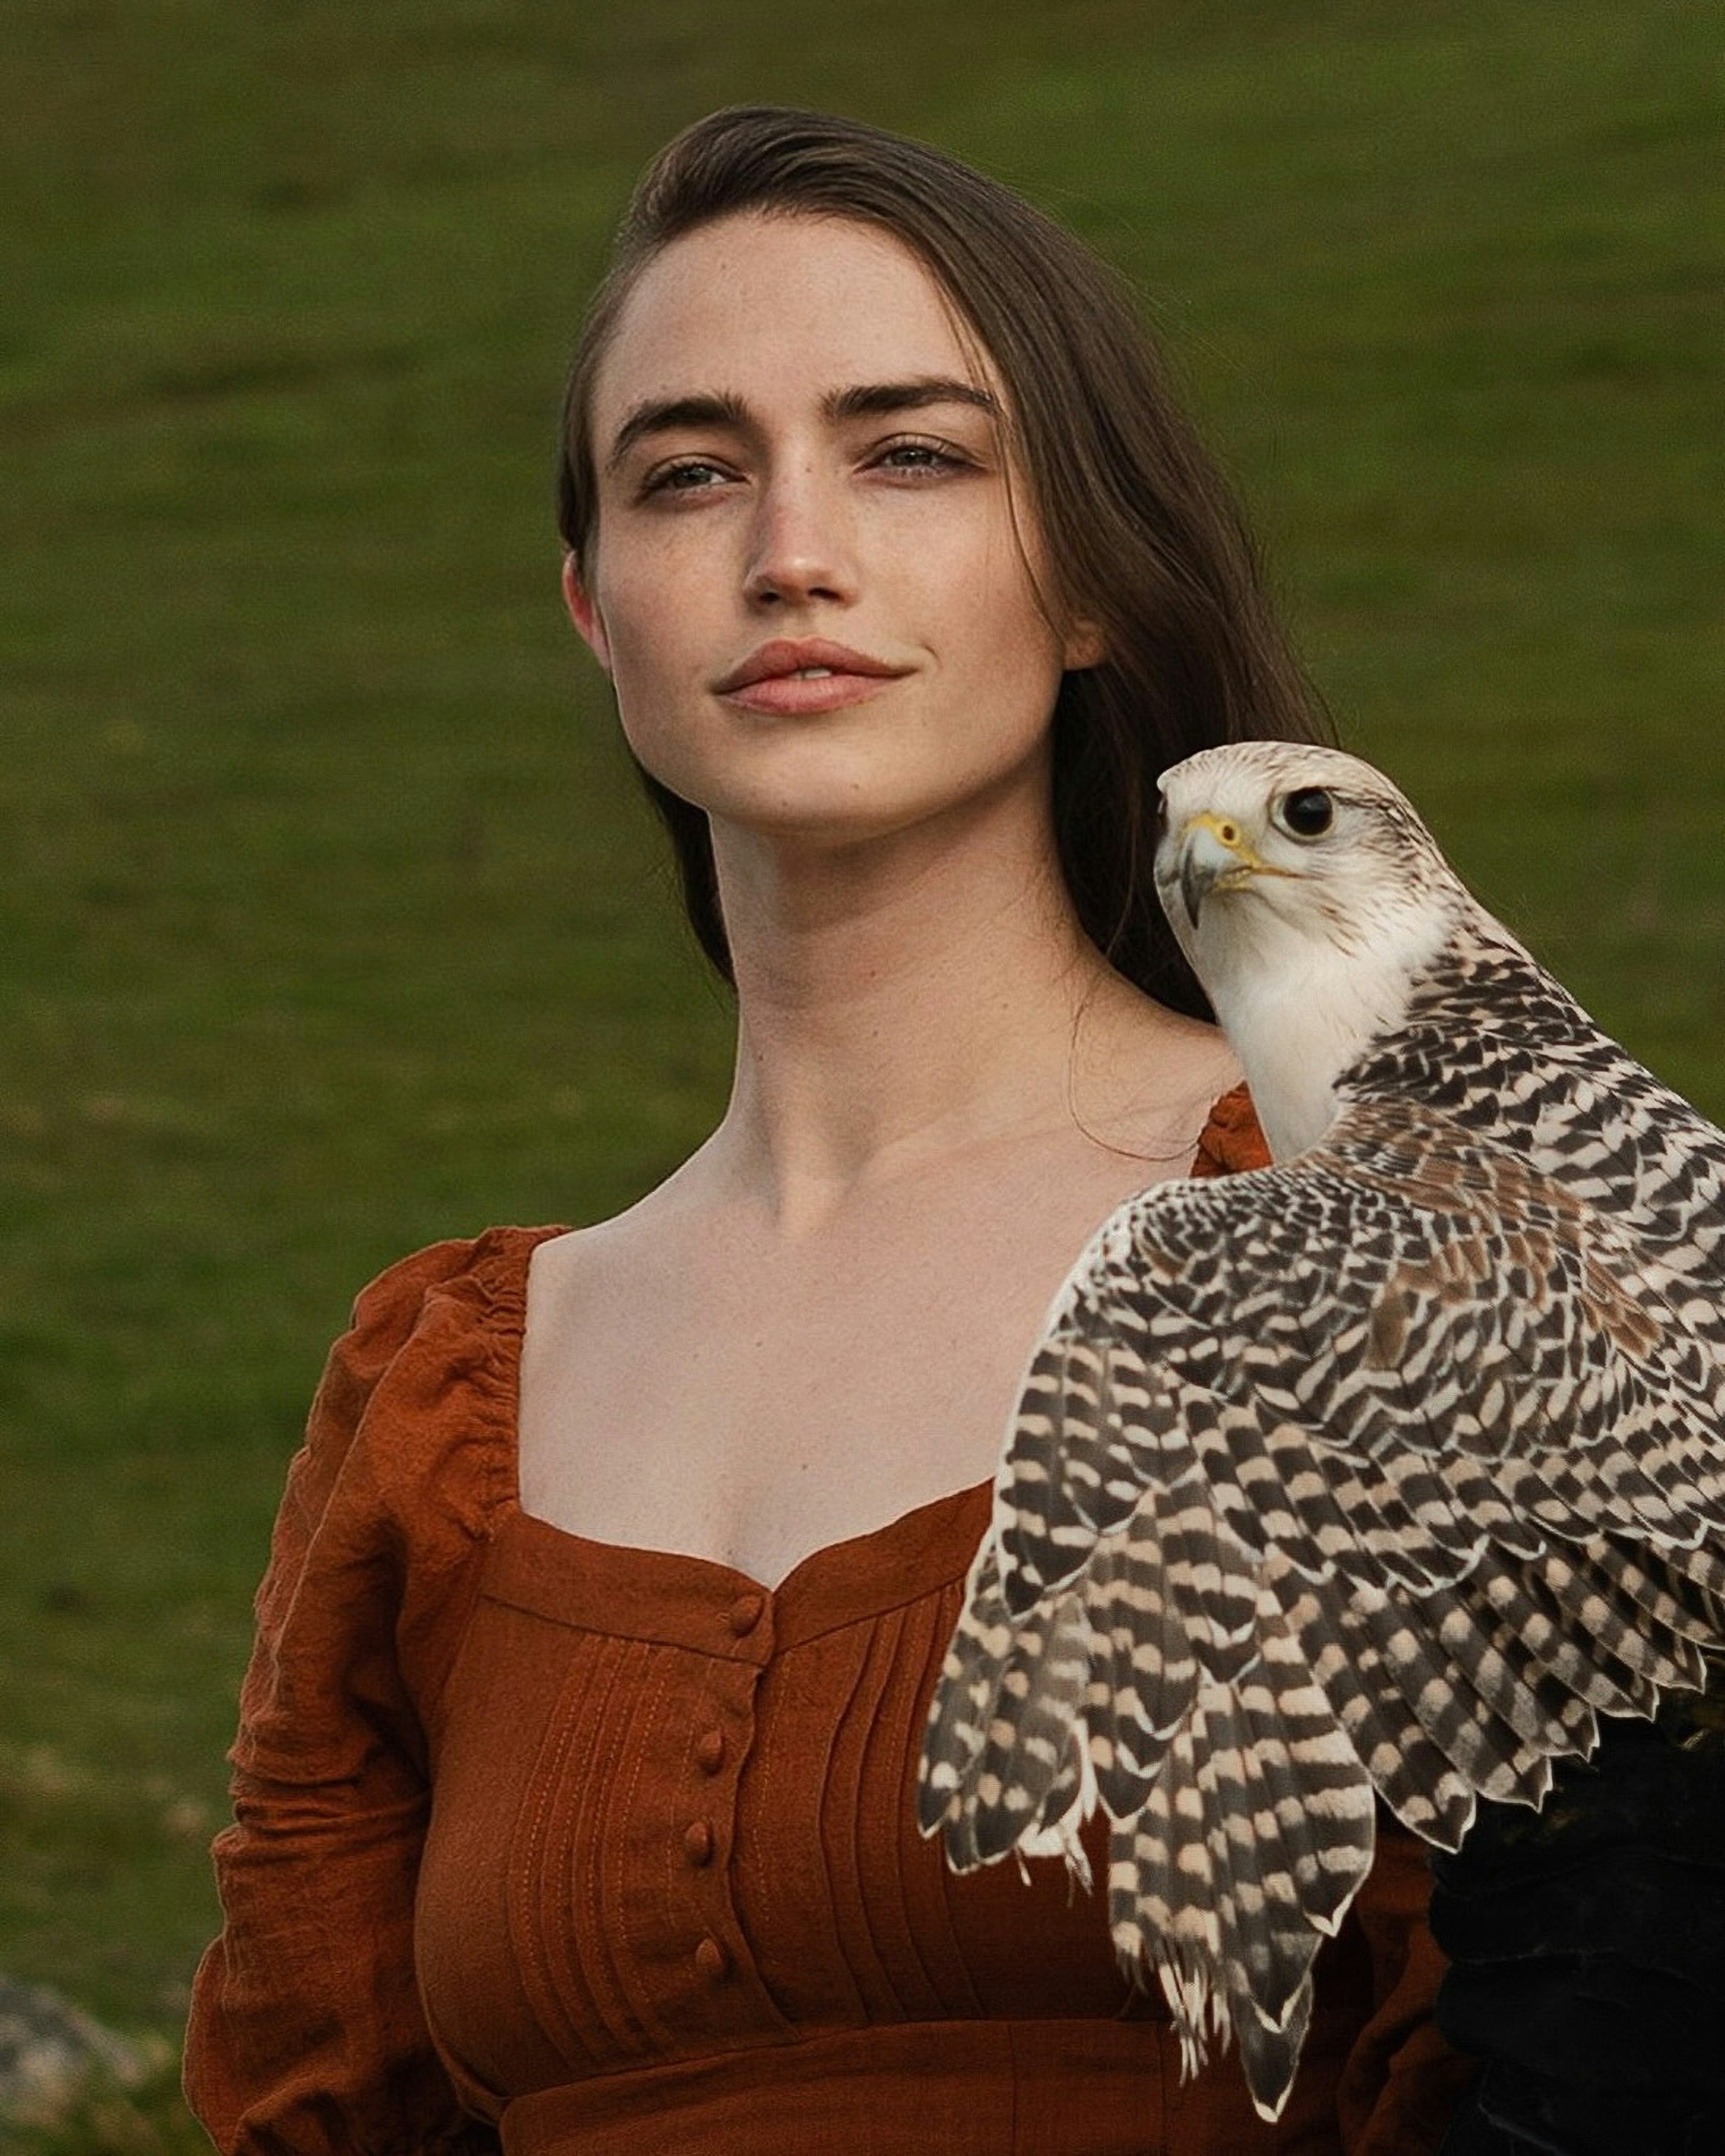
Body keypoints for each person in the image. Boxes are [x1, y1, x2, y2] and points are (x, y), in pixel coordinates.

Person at [183, 107, 1480, 2152]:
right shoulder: (441, 1405)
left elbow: (1604, 2048)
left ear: (1084, 577)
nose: (792, 550)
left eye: (909, 452)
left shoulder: (1390, 1251)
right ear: (596, 607)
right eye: (687, 473)